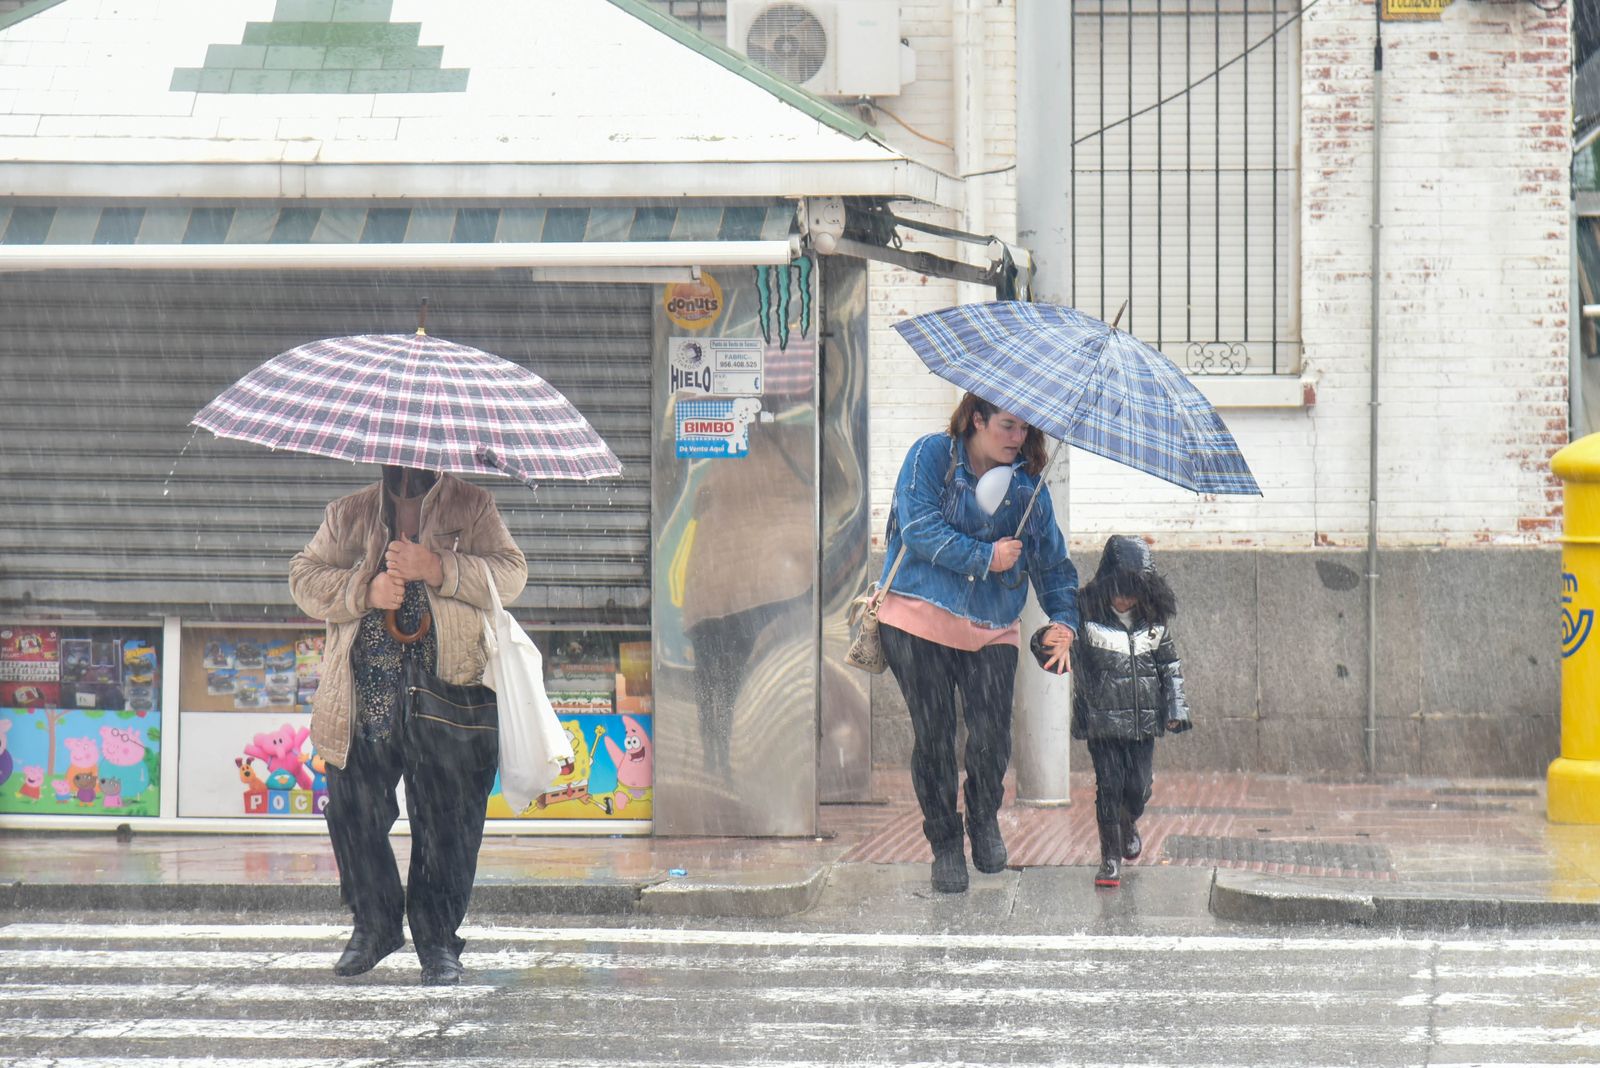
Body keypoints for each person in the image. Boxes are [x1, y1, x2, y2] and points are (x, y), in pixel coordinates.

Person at [289, 464, 527, 985]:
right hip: (363, 698)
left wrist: (439, 567)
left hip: (449, 694)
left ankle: (438, 942)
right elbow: (302, 579)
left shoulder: (473, 506)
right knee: (354, 816)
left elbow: (512, 574)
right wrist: (364, 590)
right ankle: (375, 926)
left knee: (448, 827)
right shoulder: (347, 513)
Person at [878, 393, 1080, 893]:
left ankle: (983, 818)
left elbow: (1053, 565)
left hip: (993, 624)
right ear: (976, 419)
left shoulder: (1029, 490)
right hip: (917, 617)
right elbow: (918, 527)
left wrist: (1064, 621)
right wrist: (984, 557)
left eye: (1025, 429)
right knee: (935, 736)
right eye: (1008, 426)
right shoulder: (931, 456)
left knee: (991, 737)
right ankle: (945, 845)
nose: (1018, 438)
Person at [1034, 535, 1191, 889]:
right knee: (1109, 786)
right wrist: (1046, 643)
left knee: (1138, 787)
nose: (1124, 598)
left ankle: (1127, 820)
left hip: (1142, 723)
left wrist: (1175, 707)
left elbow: (1170, 666)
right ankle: (1109, 858)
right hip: (1101, 721)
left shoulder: (1154, 623)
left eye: (1132, 590)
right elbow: (1059, 643)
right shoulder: (1086, 616)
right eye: (1119, 589)